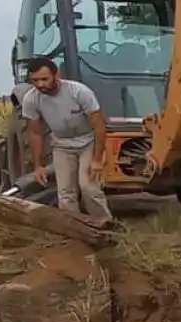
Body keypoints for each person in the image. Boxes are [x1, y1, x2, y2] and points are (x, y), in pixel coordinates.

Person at [21, 57, 114, 226]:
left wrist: (97, 159)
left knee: (88, 187)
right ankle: (75, 229)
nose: (40, 84)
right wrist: (38, 166)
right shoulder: (31, 99)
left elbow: (99, 125)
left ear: (56, 75)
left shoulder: (79, 92)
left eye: (44, 79)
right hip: (62, 145)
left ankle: (105, 225)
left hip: (87, 143)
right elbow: (35, 133)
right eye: (35, 80)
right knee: (65, 192)